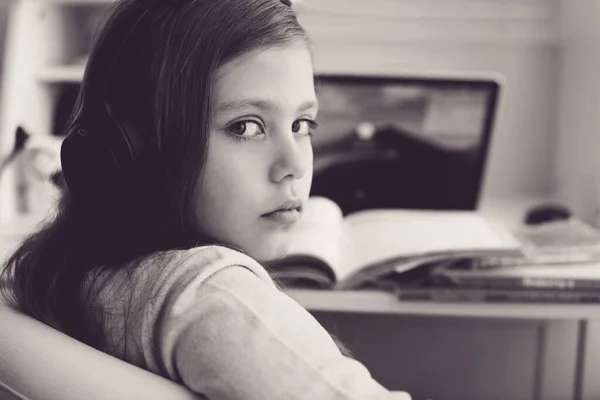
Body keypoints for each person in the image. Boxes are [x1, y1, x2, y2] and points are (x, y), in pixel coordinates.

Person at [0, 0, 411, 399]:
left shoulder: (62, 271)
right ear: (138, 148)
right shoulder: (216, 296)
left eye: (302, 124)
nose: (294, 165)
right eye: (246, 127)